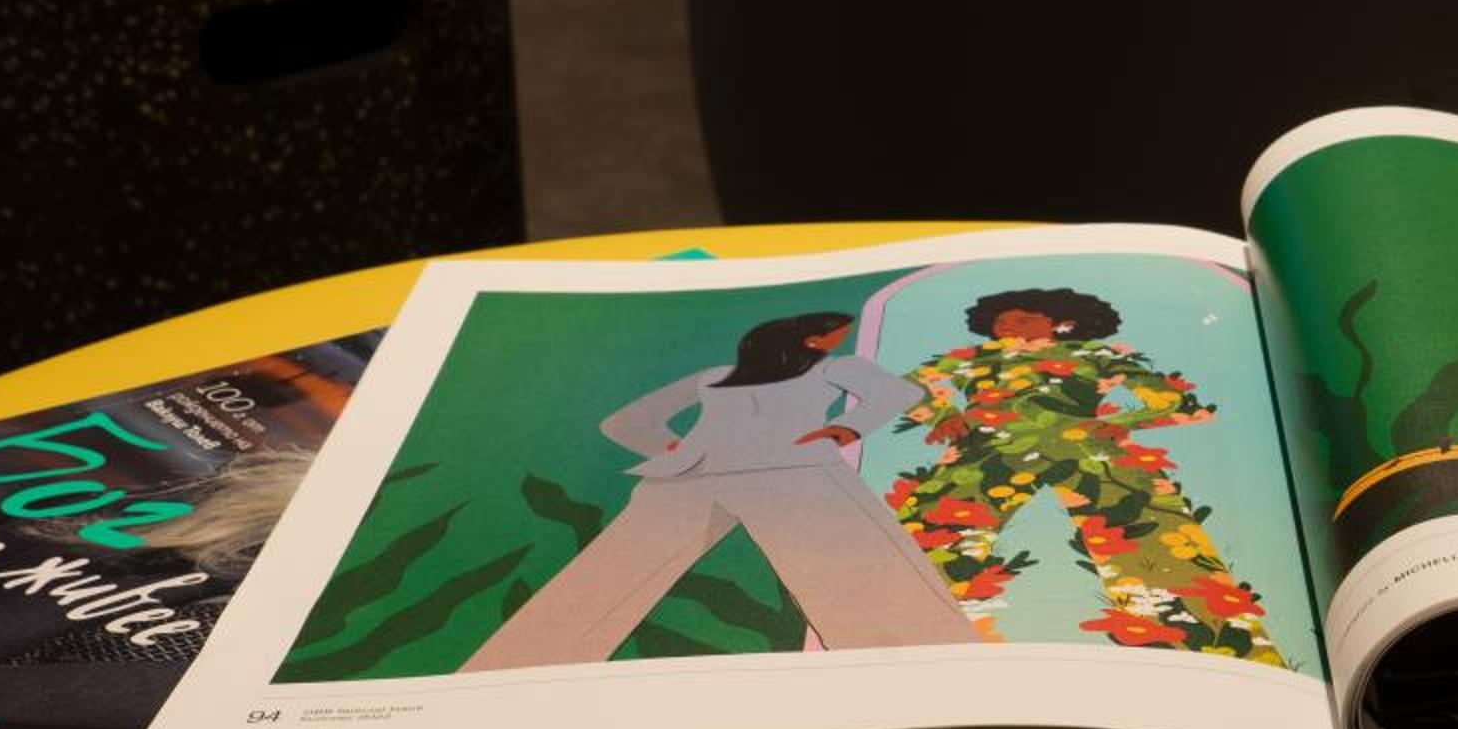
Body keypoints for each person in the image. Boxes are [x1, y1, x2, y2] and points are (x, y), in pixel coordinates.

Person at [460, 311, 982, 672]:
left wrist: (674, 447)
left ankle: (500, 678)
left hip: (689, 475)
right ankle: (935, 685)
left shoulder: (714, 376)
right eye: (832, 337)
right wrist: (843, 431)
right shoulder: (834, 368)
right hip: (791, 471)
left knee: (600, 582)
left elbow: (623, 422)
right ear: (811, 340)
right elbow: (898, 392)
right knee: (864, 580)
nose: (834, 345)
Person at [887, 288, 1287, 665]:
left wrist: (1125, 421)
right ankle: (892, 641)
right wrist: (943, 414)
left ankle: (1210, 650)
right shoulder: (975, 356)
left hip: (1087, 445)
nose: (1008, 327)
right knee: (932, 534)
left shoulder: (1092, 354)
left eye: (1023, 319)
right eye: (1000, 321)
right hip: (987, 447)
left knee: (1151, 537)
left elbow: (1174, 399)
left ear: (1060, 322)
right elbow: (906, 383)